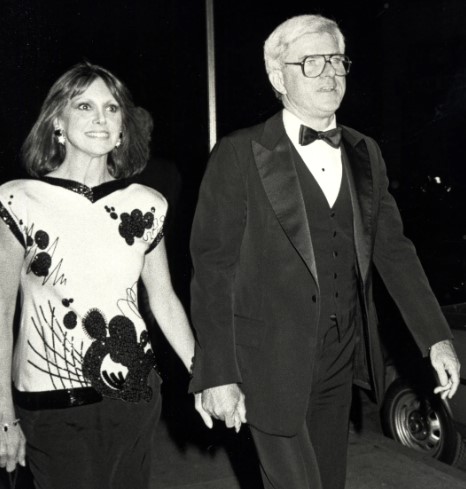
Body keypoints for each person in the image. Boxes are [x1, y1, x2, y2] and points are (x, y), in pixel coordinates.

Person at [189, 14, 461, 489]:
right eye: (312, 62)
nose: (331, 73)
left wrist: (435, 337)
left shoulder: (364, 151)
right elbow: (213, 269)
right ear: (279, 77)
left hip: (339, 360)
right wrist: (215, 374)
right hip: (265, 363)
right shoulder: (240, 153)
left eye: (337, 61)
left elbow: (394, 250)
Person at [0, 61, 211, 489]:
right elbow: (1, 312)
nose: (101, 118)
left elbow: (164, 299)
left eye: (112, 109)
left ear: (122, 128)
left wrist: (206, 376)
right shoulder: (17, 200)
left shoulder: (147, 203)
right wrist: (3, 415)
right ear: (57, 122)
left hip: (133, 395)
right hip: (49, 401)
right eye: (84, 105)